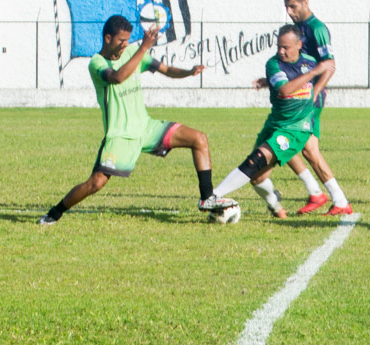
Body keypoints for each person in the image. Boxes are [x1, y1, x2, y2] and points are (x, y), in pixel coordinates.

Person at [38, 15, 236, 225]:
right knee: (95, 184)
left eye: (127, 41)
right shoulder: (97, 62)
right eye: (121, 41)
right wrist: (143, 48)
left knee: (199, 139)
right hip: (120, 136)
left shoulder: (134, 52)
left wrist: (189, 72)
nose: (125, 45)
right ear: (107, 38)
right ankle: (54, 213)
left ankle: (207, 198)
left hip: (145, 127)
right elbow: (117, 77)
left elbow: (167, 70)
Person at [211, 25, 352, 216]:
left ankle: (213, 196)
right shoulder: (273, 64)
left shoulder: (310, 61)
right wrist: (273, 80)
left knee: (256, 160)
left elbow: (329, 67)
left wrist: (317, 88)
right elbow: (285, 90)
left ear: (299, 45)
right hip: (276, 123)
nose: (281, 51)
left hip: (296, 129)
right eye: (279, 46)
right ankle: (277, 206)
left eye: (286, 47)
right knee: (257, 178)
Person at [251, 0, 337, 215]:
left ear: (306, 3)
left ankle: (330, 198)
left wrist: (316, 90)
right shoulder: (298, 29)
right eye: (286, 7)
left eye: (293, 6)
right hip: (299, 96)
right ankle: (324, 196)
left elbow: (329, 64)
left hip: (308, 98)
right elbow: (294, 69)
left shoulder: (317, 29)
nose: (289, 12)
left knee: (295, 144)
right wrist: (269, 81)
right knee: (292, 143)